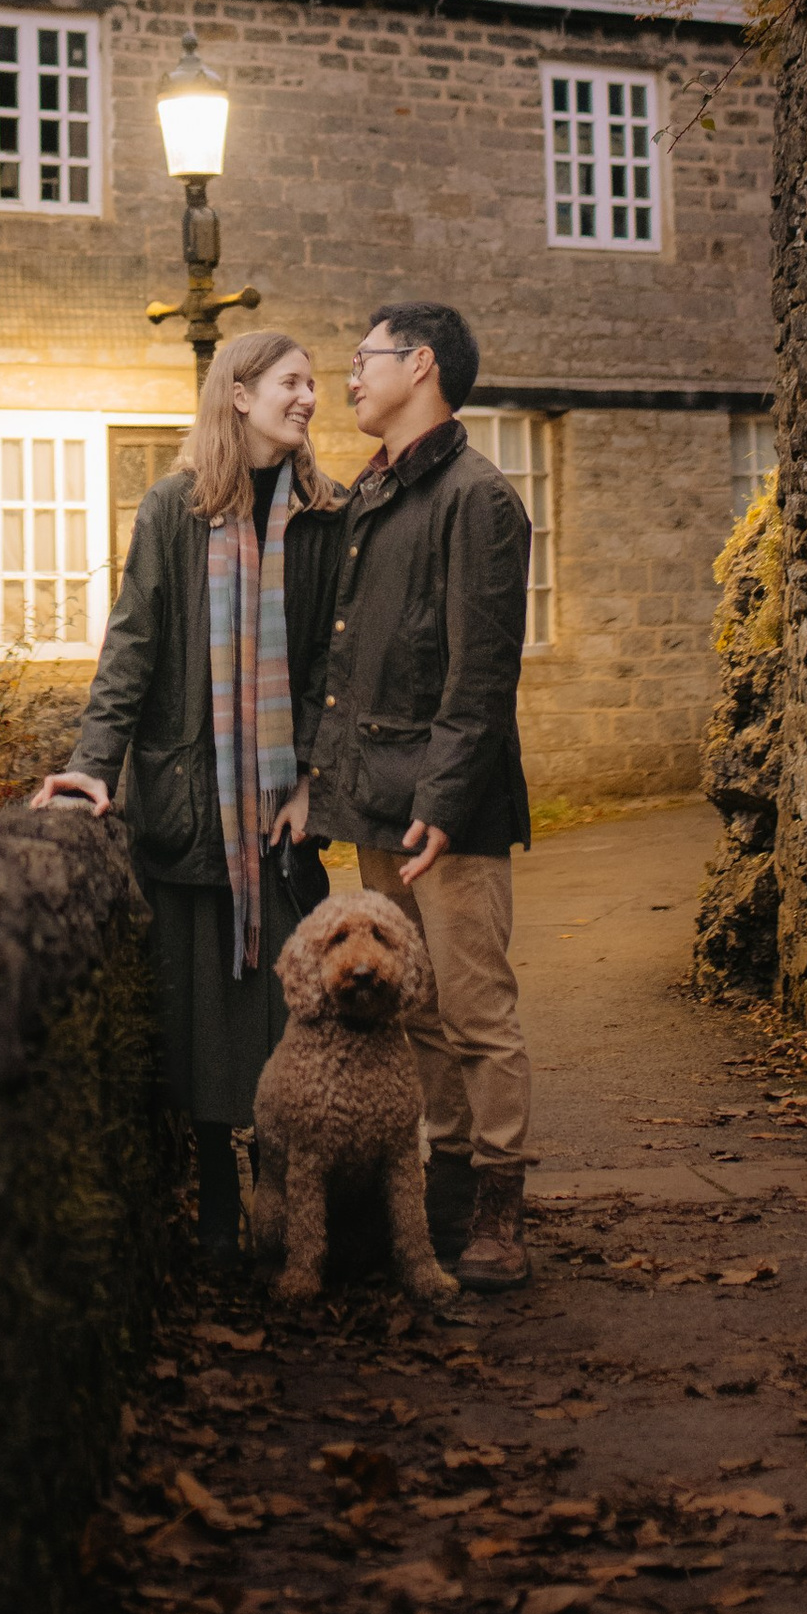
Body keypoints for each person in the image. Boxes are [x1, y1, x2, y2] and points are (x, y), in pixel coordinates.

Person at [33, 330, 343, 1268]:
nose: (309, 399)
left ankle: (284, 1210)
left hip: (282, 815)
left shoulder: (324, 514)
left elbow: (335, 666)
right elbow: (132, 641)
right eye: (292, 383)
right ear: (239, 394)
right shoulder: (175, 508)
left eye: (315, 385)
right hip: (191, 806)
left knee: (287, 1023)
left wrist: (315, 786)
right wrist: (94, 761)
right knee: (205, 1026)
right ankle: (215, 1208)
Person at [303, 297, 535, 1291]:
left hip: (449, 809)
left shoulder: (478, 499)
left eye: (365, 358)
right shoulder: (373, 494)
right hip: (373, 798)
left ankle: (498, 1201)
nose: (350, 377)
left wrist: (438, 804)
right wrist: (323, 787)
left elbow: (480, 675)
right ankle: (439, 1187)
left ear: (422, 365)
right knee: (412, 1010)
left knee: (477, 1013)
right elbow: (349, 662)